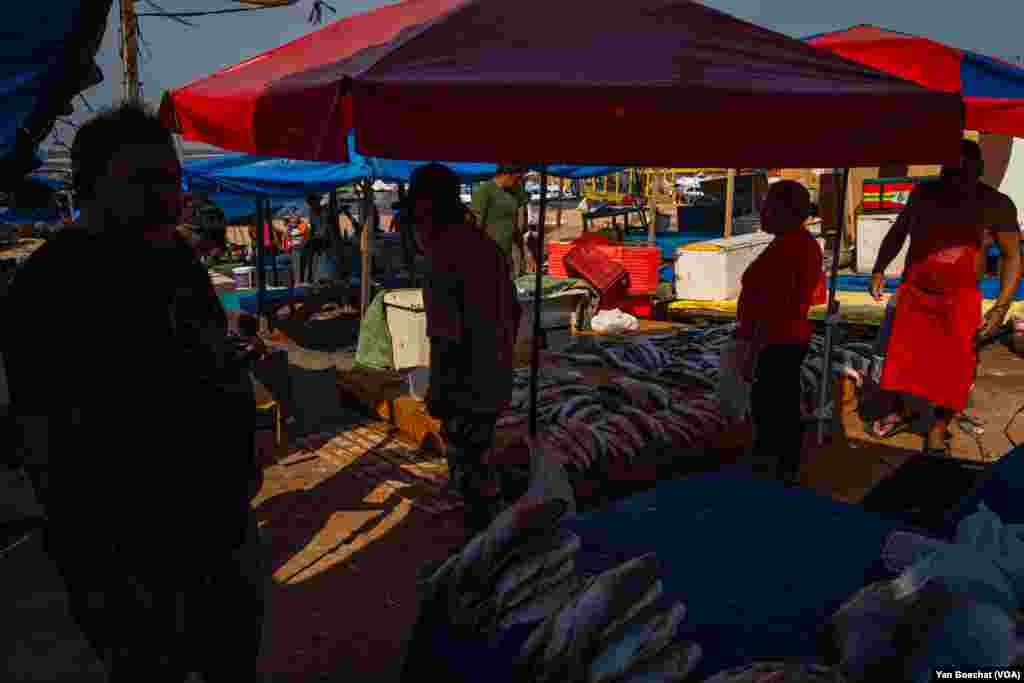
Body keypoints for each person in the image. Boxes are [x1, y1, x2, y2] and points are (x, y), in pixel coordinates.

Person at [3, 101, 267, 680]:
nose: (167, 196)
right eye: (145, 181)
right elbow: (47, 441)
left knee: (232, 659)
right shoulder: (49, 286)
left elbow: (206, 355)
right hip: (125, 557)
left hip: (216, 532)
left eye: (170, 179)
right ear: (93, 187)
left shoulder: (175, 259)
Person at [870, 139, 1022, 456]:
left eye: (962, 173)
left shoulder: (996, 204)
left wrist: (1000, 307)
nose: (953, 179)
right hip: (915, 294)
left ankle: (938, 429)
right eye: (948, 171)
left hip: (960, 299)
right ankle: (904, 410)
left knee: (954, 369)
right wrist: (879, 268)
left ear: (978, 171)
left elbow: (1012, 257)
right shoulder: (924, 194)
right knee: (903, 362)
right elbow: (899, 231)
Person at [409, 163, 522, 540]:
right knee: (481, 457)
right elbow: (515, 311)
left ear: (426, 213)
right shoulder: (487, 248)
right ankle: (492, 533)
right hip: (496, 375)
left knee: (470, 475)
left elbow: (446, 337)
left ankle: (485, 552)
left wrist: (439, 392)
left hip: (465, 386)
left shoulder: (442, 257)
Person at [736, 180, 826, 485]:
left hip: (777, 340)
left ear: (786, 211)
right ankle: (782, 469)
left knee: (773, 411)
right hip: (787, 337)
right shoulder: (796, 243)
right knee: (782, 404)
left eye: (768, 206)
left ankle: (776, 477)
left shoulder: (791, 249)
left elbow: (775, 307)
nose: (762, 212)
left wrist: (750, 350)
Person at [471, 165, 530, 277]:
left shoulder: (516, 189)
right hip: (488, 253)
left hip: (508, 253)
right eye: (517, 178)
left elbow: (517, 224)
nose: (519, 181)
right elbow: (475, 225)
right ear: (506, 175)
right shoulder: (484, 191)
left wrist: (525, 252)